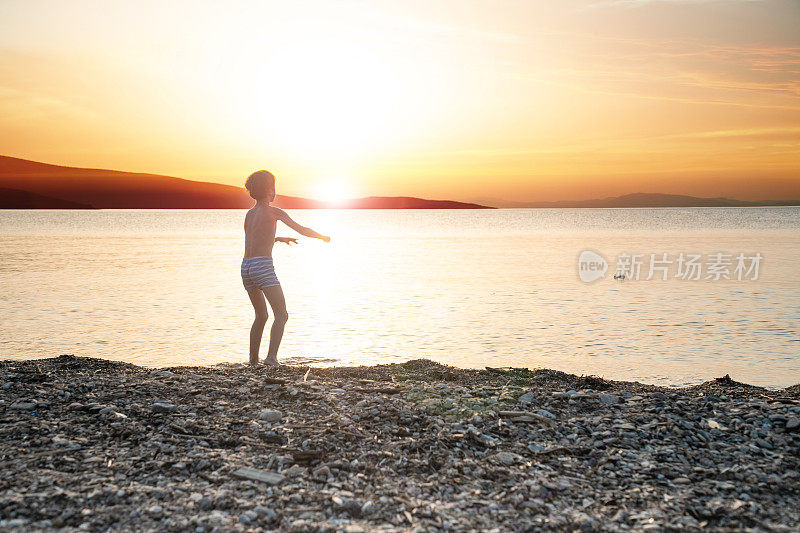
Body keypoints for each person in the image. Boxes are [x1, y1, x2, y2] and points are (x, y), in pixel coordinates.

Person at [241, 170, 330, 366]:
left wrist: (278, 239)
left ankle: (253, 360)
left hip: (246, 267)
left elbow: (255, 240)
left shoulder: (249, 214)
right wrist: (322, 236)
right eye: (273, 187)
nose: (275, 192)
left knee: (261, 315)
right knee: (281, 314)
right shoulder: (275, 212)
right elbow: (302, 229)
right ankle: (271, 359)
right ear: (268, 190)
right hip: (262, 266)